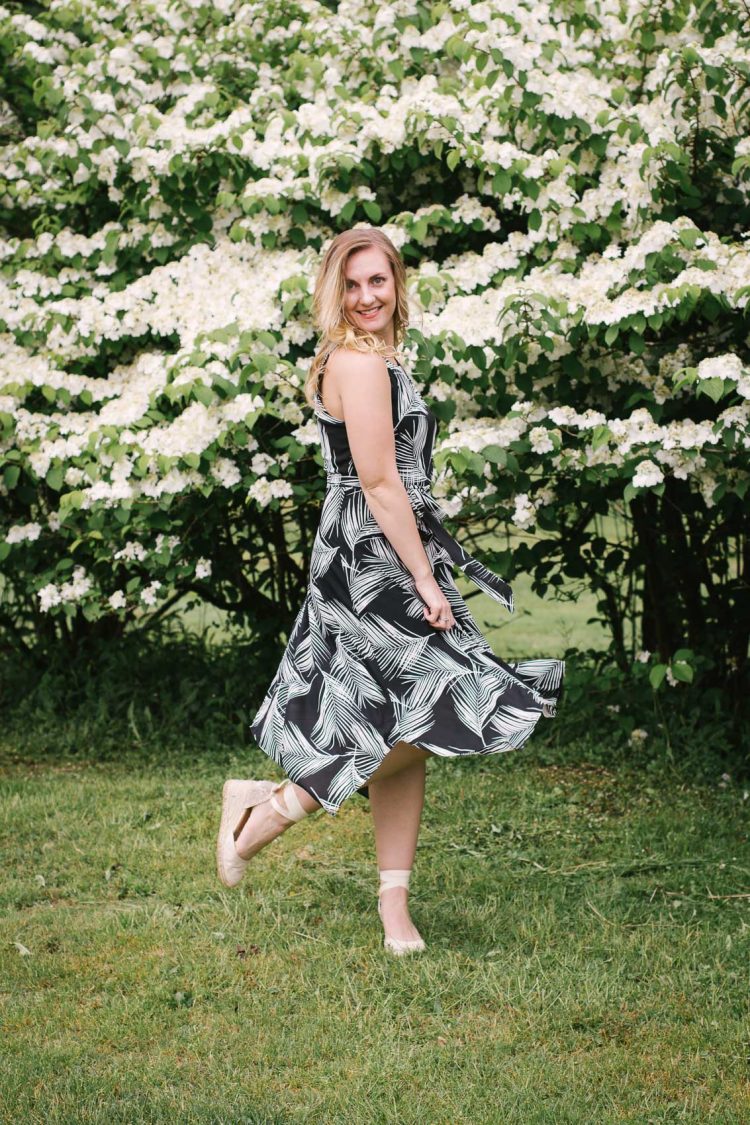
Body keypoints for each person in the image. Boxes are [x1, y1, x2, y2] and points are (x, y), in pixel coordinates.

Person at [216, 227, 565, 955]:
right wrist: (424, 575)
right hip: (371, 561)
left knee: (415, 718)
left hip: (369, 544)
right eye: (353, 284)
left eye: (379, 281)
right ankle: (267, 809)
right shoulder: (358, 363)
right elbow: (377, 480)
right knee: (414, 712)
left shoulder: (366, 358)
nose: (368, 296)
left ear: (397, 284)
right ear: (334, 291)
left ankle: (392, 905)